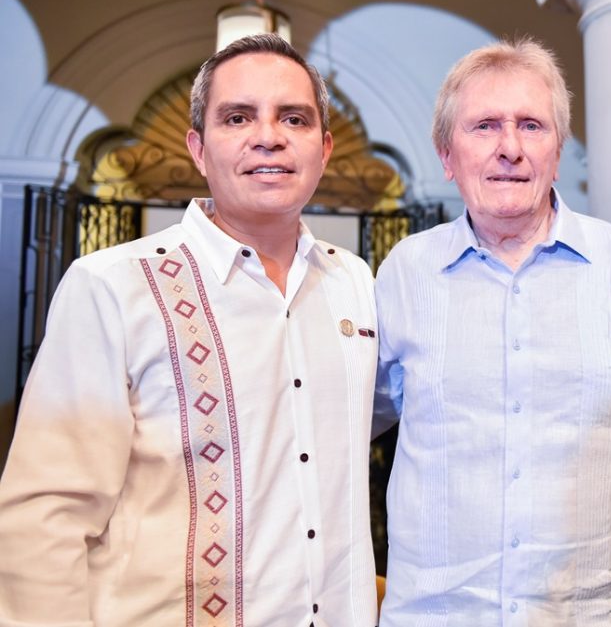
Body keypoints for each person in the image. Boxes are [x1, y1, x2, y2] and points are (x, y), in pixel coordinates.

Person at [0, 34, 379, 626]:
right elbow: (47, 514)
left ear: (324, 148)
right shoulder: (112, 287)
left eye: (294, 118)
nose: (268, 136)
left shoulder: (353, 282)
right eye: (238, 117)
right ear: (198, 149)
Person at [372, 37, 611, 626]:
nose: (509, 148)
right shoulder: (405, 273)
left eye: (531, 126)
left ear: (556, 153)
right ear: (446, 155)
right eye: (485, 126)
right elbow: (346, 427)